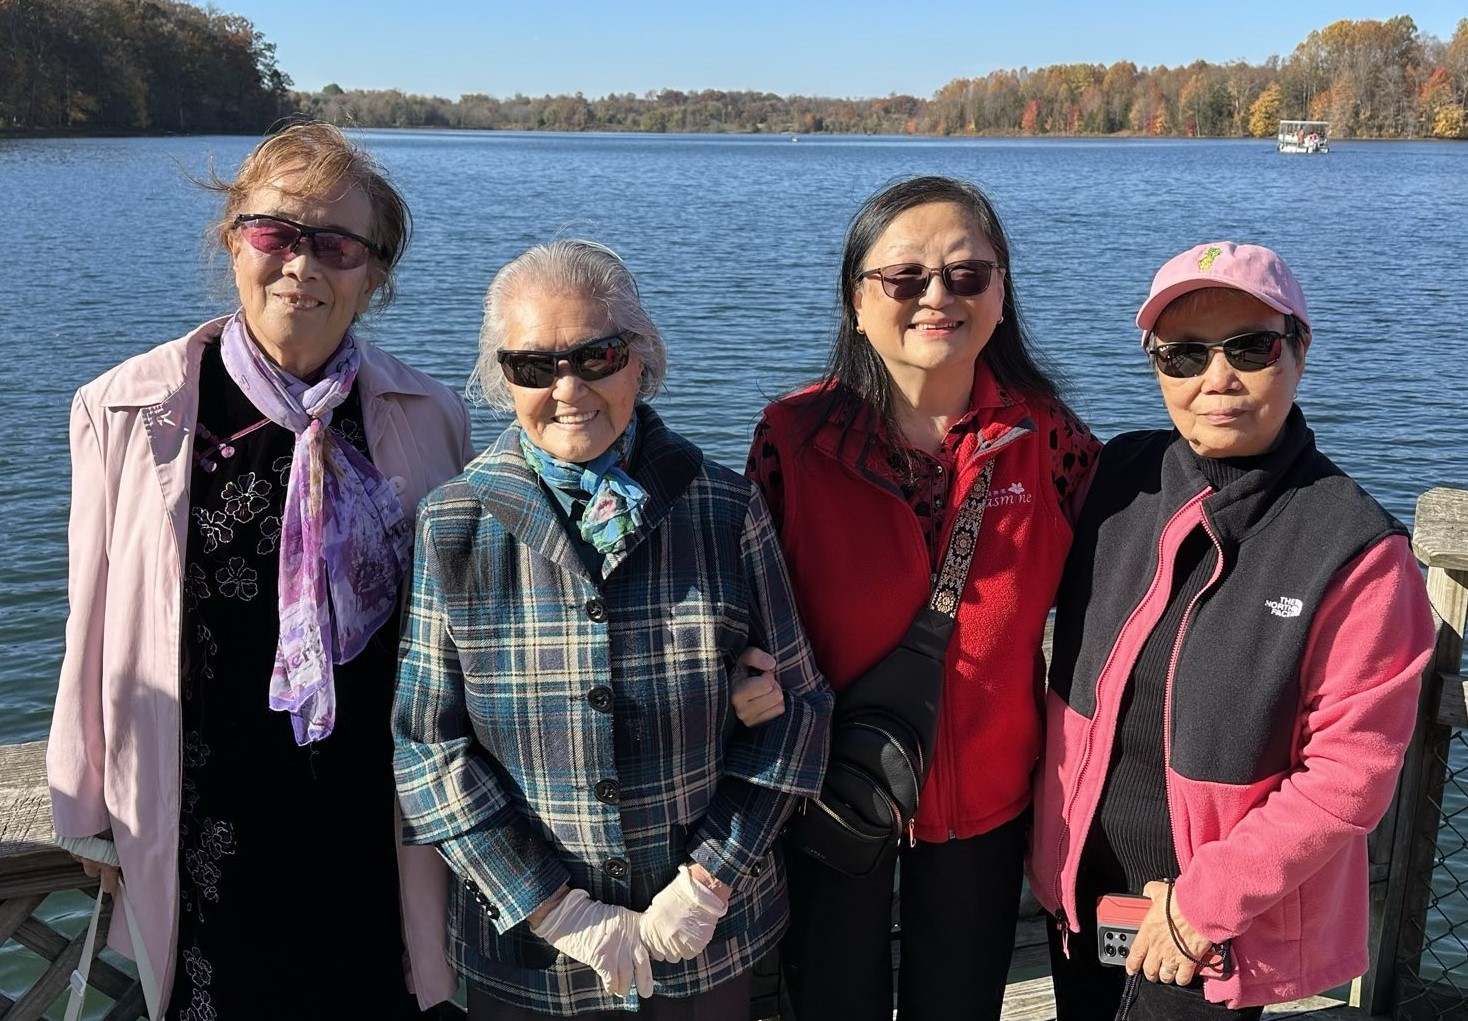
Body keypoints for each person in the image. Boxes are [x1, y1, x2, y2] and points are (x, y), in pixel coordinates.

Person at [45, 121, 474, 1018]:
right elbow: (91, 620)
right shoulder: (124, 408)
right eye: (276, 232)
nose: (301, 264)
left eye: (337, 244)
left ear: (374, 273)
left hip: (372, 816)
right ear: (234, 240)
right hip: (200, 819)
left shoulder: (431, 415)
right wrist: (82, 807)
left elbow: (466, 622)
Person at [391, 239, 833, 1020]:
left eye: (596, 356)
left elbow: (799, 707)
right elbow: (427, 748)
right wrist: (553, 906)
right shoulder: (452, 524)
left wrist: (708, 879)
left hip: (704, 942)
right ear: (503, 378)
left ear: (639, 359)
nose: (568, 389)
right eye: (533, 366)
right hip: (529, 958)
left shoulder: (724, 509)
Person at [1031, 242, 1436, 1020]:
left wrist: (1200, 907)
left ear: (1299, 348)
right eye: (1183, 355)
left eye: (1250, 347)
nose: (1216, 377)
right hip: (1083, 893)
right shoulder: (1115, 478)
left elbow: (1349, 775)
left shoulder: (1357, 548)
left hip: (1214, 932)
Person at [742, 175, 1101, 1020]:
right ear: (857, 299)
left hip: (986, 803)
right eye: (904, 277)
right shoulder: (794, 438)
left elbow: (1126, 581)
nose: (937, 297)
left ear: (1001, 296)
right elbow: (737, 599)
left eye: (966, 275)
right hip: (833, 787)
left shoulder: (1048, 437)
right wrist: (738, 673)